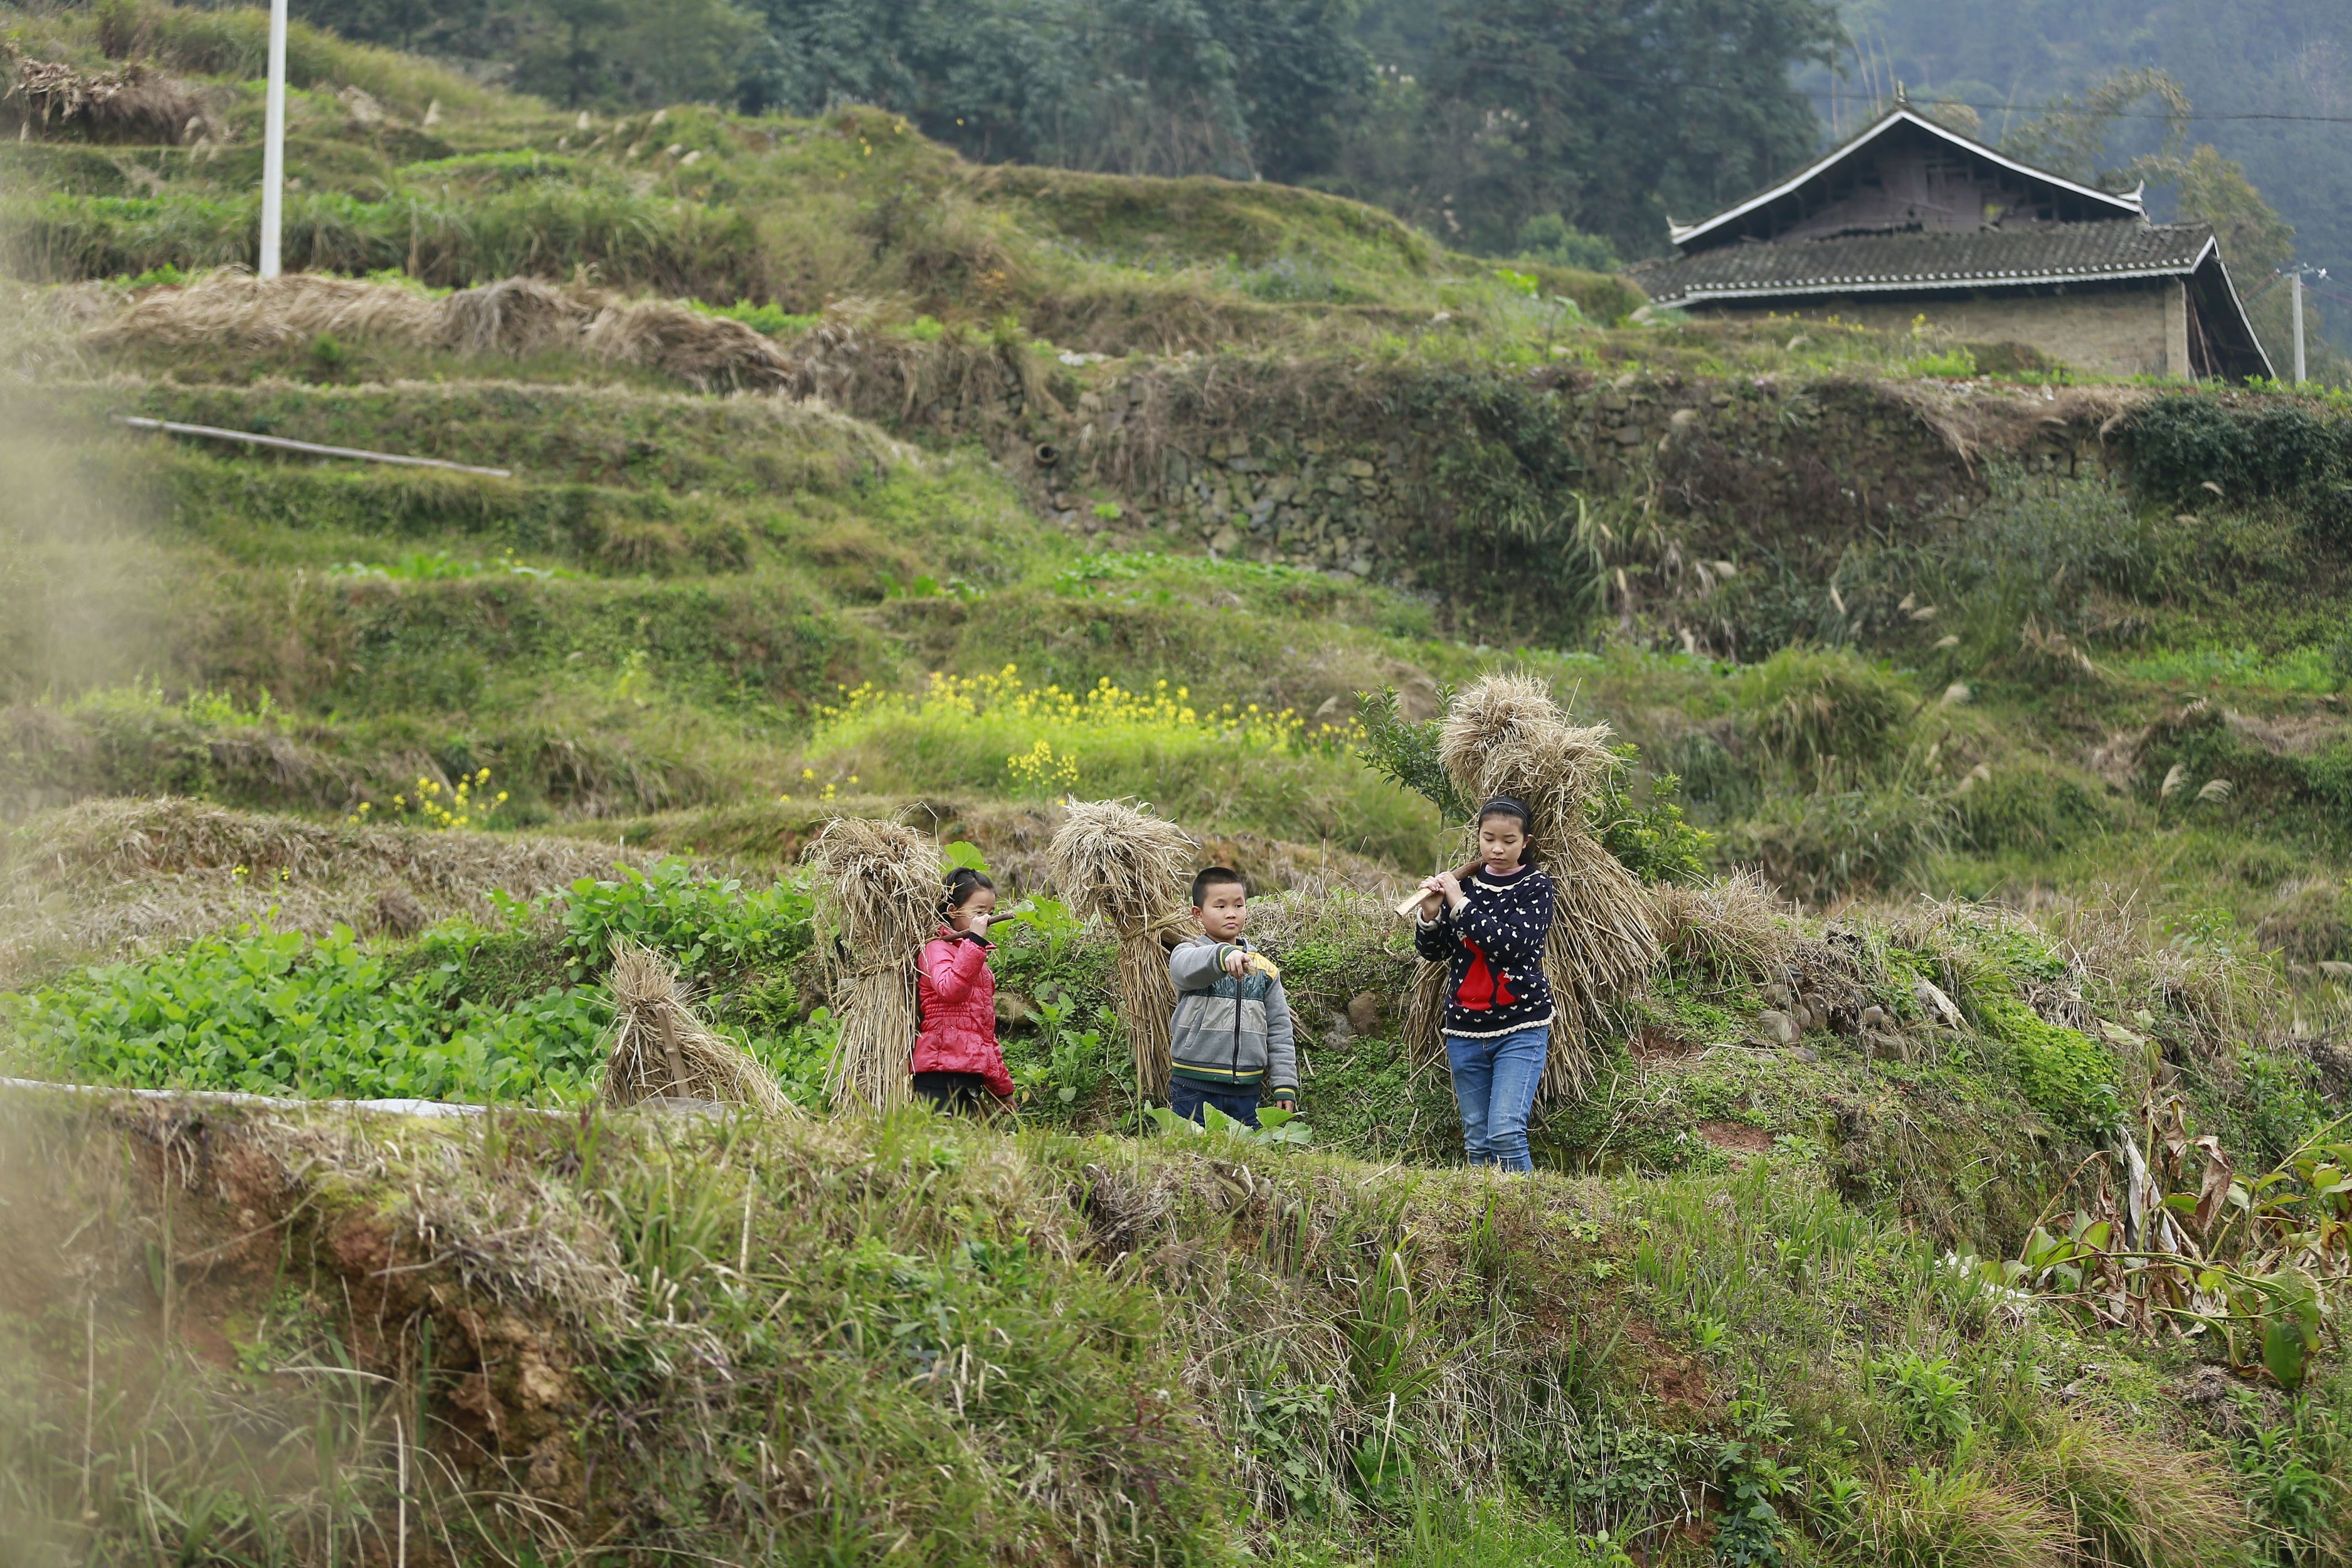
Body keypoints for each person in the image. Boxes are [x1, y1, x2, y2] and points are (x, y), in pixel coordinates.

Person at [1412, 797, 1555, 1172]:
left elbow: (1515, 947)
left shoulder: (1536, 887)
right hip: (1464, 1030)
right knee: (1477, 1136)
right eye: (1489, 838)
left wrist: (1459, 905)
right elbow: (1437, 951)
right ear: (1477, 837)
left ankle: (1523, 1220)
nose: (1497, 848)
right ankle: (1483, 1221)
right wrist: (1431, 913)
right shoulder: (1466, 886)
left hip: (1520, 1028)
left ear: (1525, 842)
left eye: (1509, 840)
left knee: (1505, 1132)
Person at [1167, 866, 1298, 1128]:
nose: (1231, 913)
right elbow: (1184, 970)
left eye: (1239, 905)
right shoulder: (1187, 954)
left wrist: (1284, 1083)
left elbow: (1280, 1030)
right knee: (1191, 1156)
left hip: (1246, 1090)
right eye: (1220, 906)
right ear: (1198, 914)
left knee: (1244, 1159)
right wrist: (1223, 956)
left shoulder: (1263, 969)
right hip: (1194, 1086)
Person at [912, 867, 1015, 1114]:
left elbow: (984, 1032)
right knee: (940, 1147)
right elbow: (951, 989)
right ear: (952, 912)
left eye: (990, 913)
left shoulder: (977, 961)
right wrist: (976, 944)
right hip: (939, 1074)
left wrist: (1003, 1089)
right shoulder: (936, 949)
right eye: (978, 912)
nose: (986, 920)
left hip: (969, 1076)